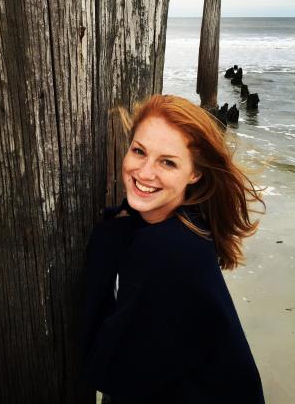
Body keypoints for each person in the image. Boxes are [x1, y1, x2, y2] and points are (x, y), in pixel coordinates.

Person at [81, 94, 265, 403]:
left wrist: (104, 245)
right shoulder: (193, 224)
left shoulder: (165, 249)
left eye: (167, 162)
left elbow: (105, 369)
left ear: (195, 173)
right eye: (139, 151)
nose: (144, 173)